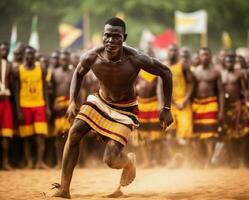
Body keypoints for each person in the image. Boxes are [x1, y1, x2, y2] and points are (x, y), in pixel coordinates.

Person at [51, 17, 173, 198]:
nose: (111, 41)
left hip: (126, 109)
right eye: (107, 36)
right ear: (102, 37)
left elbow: (165, 72)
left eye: (116, 36)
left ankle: (128, 163)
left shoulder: (135, 58)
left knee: (110, 159)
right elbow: (78, 73)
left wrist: (167, 108)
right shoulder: (92, 56)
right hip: (100, 101)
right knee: (74, 132)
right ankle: (64, 189)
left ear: (124, 37)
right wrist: (72, 101)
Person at [13, 46, 50, 169]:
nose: (29, 57)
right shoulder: (19, 70)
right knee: (27, 136)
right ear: (24, 56)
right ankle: (29, 162)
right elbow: (16, 91)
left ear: (35, 56)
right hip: (24, 105)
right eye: (27, 55)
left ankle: (40, 161)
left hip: (39, 105)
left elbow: (45, 88)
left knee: (40, 135)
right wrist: (18, 110)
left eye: (31, 55)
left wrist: (47, 107)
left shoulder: (41, 68)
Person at [192, 47, 224, 168]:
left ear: (210, 56)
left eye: (206, 55)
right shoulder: (195, 72)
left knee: (210, 134)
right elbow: (191, 90)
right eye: (202, 55)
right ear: (199, 57)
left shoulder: (216, 72)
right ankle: (201, 160)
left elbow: (221, 92)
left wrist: (221, 110)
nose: (204, 57)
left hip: (211, 104)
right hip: (198, 104)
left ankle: (209, 161)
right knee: (199, 135)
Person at [165, 44, 193, 168]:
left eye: (174, 51)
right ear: (167, 52)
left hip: (184, 105)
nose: (172, 53)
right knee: (169, 136)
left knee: (184, 137)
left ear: (177, 53)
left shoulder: (183, 65)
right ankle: (173, 159)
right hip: (171, 105)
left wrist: (185, 100)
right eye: (170, 50)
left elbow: (192, 83)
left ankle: (187, 161)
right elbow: (162, 88)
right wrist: (165, 104)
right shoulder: (164, 67)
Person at [136, 46, 164, 167]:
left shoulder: (157, 72)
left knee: (156, 136)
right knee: (142, 135)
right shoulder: (137, 72)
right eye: (145, 55)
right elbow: (133, 89)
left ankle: (156, 160)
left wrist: (161, 107)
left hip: (154, 105)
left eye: (150, 55)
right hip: (141, 106)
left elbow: (159, 91)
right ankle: (147, 160)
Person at [221, 53, 249, 168]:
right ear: (224, 62)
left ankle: (241, 159)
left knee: (242, 134)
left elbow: (245, 90)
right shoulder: (221, 74)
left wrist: (248, 105)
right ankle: (233, 160)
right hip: (227, 108)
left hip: (238, 106)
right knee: (229, 136)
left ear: (234, 62)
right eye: (227, 61)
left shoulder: (239, 73)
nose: (229, 64)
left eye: (231, 62)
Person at [51, 51, 74, 168]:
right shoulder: (54, 73)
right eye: (62, 59)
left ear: (69, 59)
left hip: (70, 105)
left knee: (71, 135)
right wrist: (53, 104)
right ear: (60, 60)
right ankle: (59, 162)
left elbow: (78, 90)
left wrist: (76, 104)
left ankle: (68, 162)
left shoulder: (73, 72)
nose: (64, 61)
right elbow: (50, 90)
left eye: (66, 59)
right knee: (58, 135)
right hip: (58, 105)